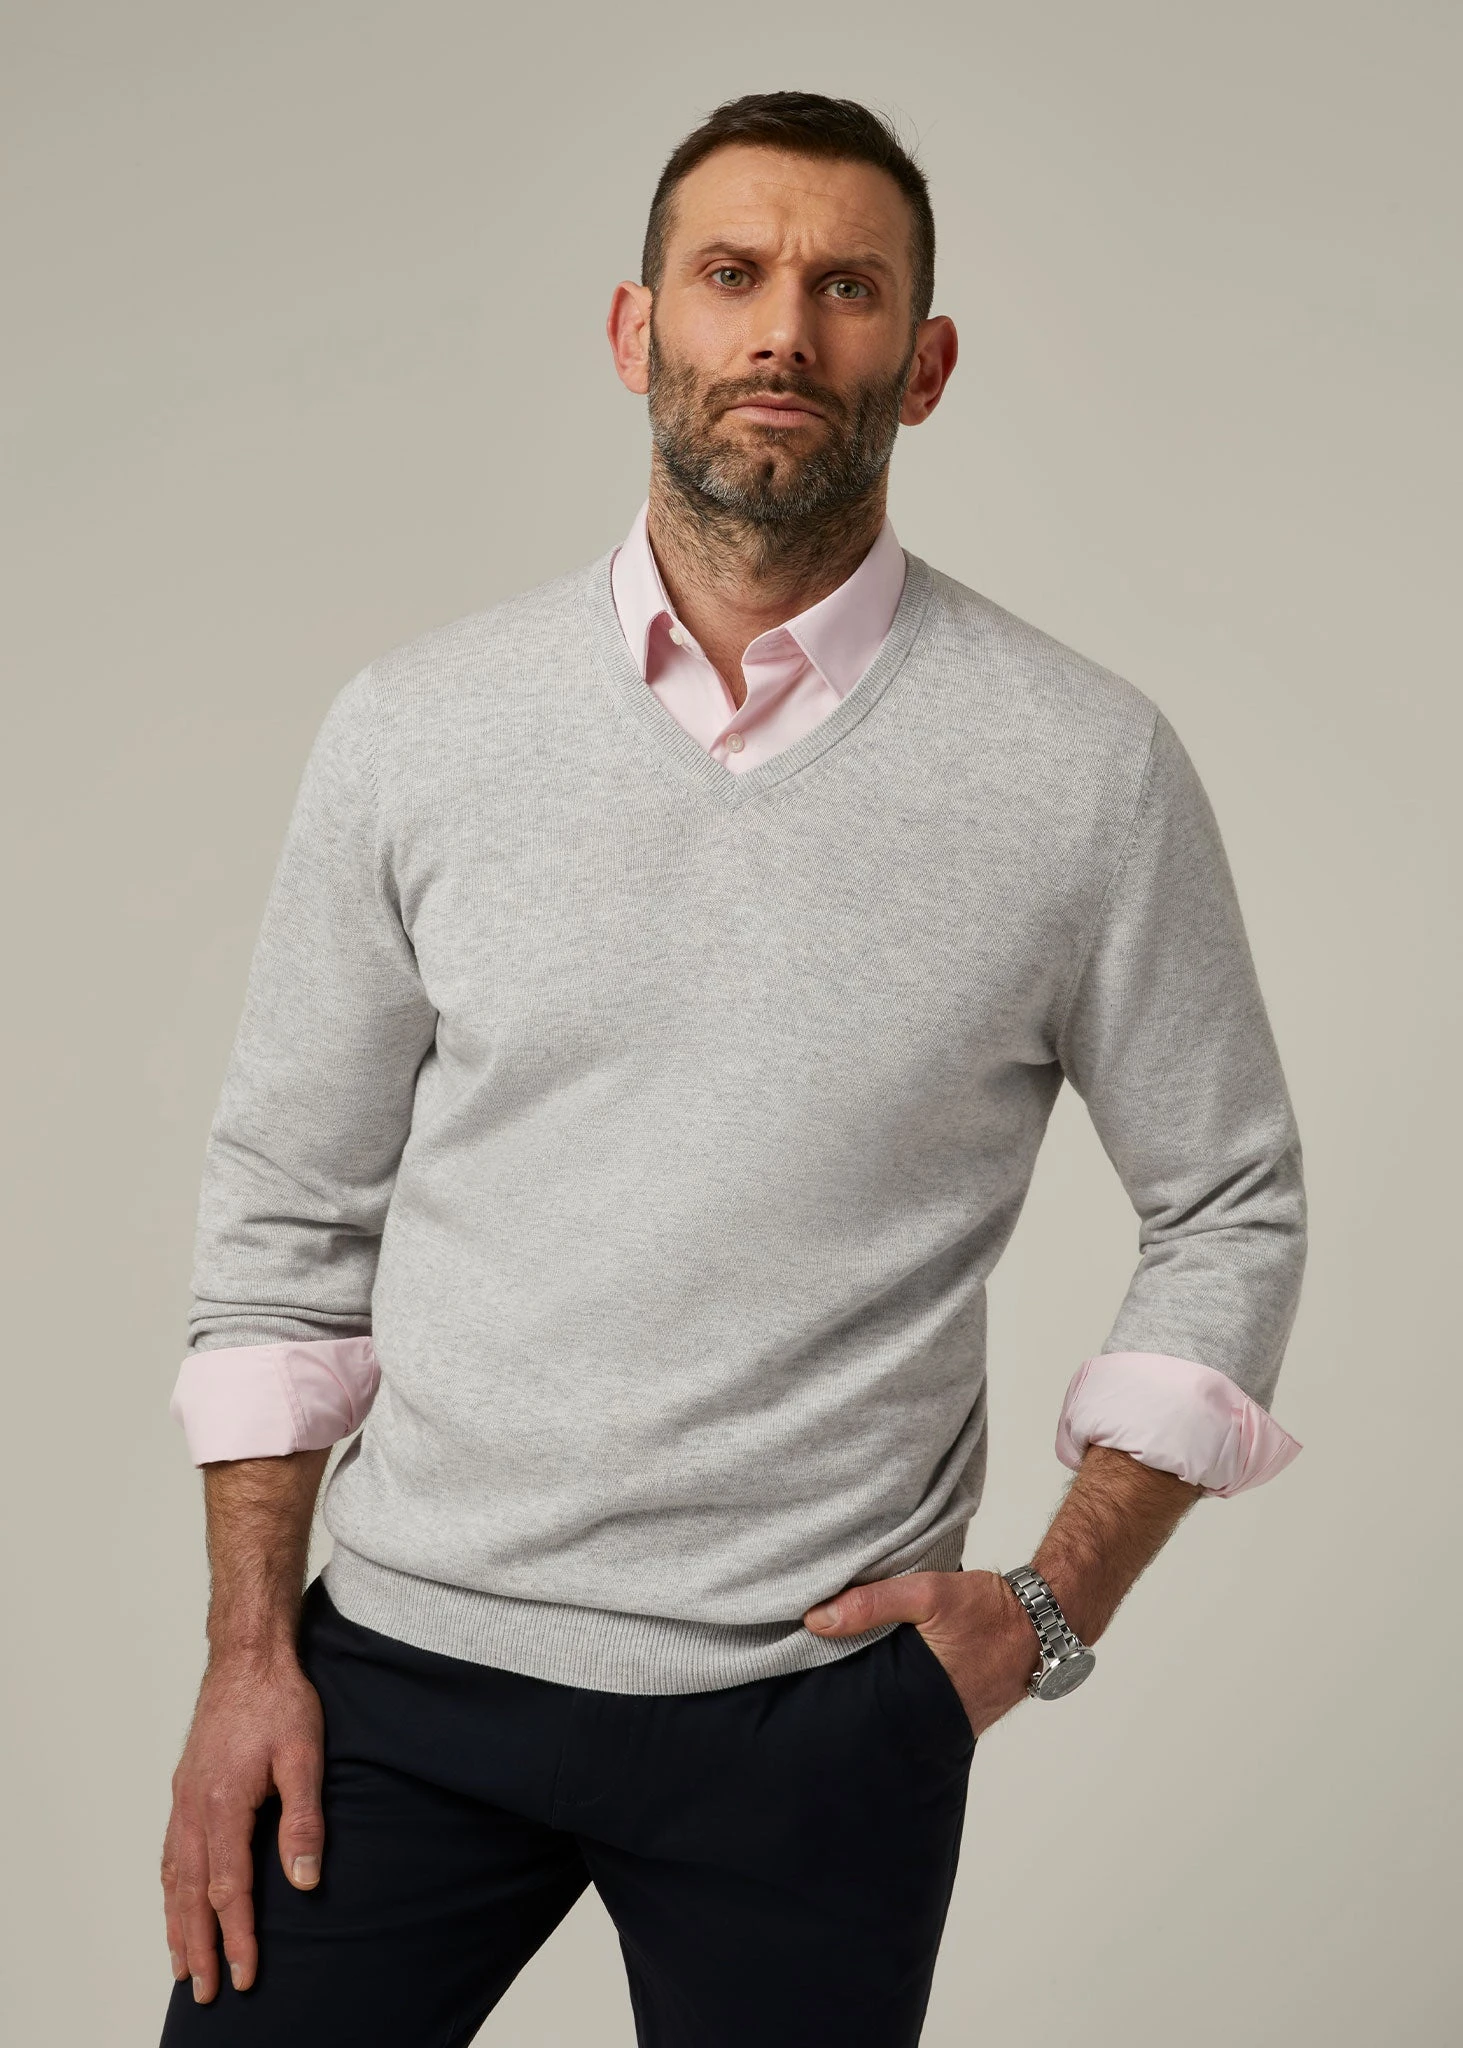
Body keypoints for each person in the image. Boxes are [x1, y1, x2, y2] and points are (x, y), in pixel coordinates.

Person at [158, 89, 1306, 2047]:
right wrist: (247, 1651)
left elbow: (1230, 1198)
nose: (782, 330)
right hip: (404, 1676)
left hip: (817, 1713)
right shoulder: (416, 730)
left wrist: (1048, 1607)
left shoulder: (1082, 769)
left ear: (922, 366)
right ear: (636, 331)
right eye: (730, 275)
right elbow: (285, 1202)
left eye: (845, 289)